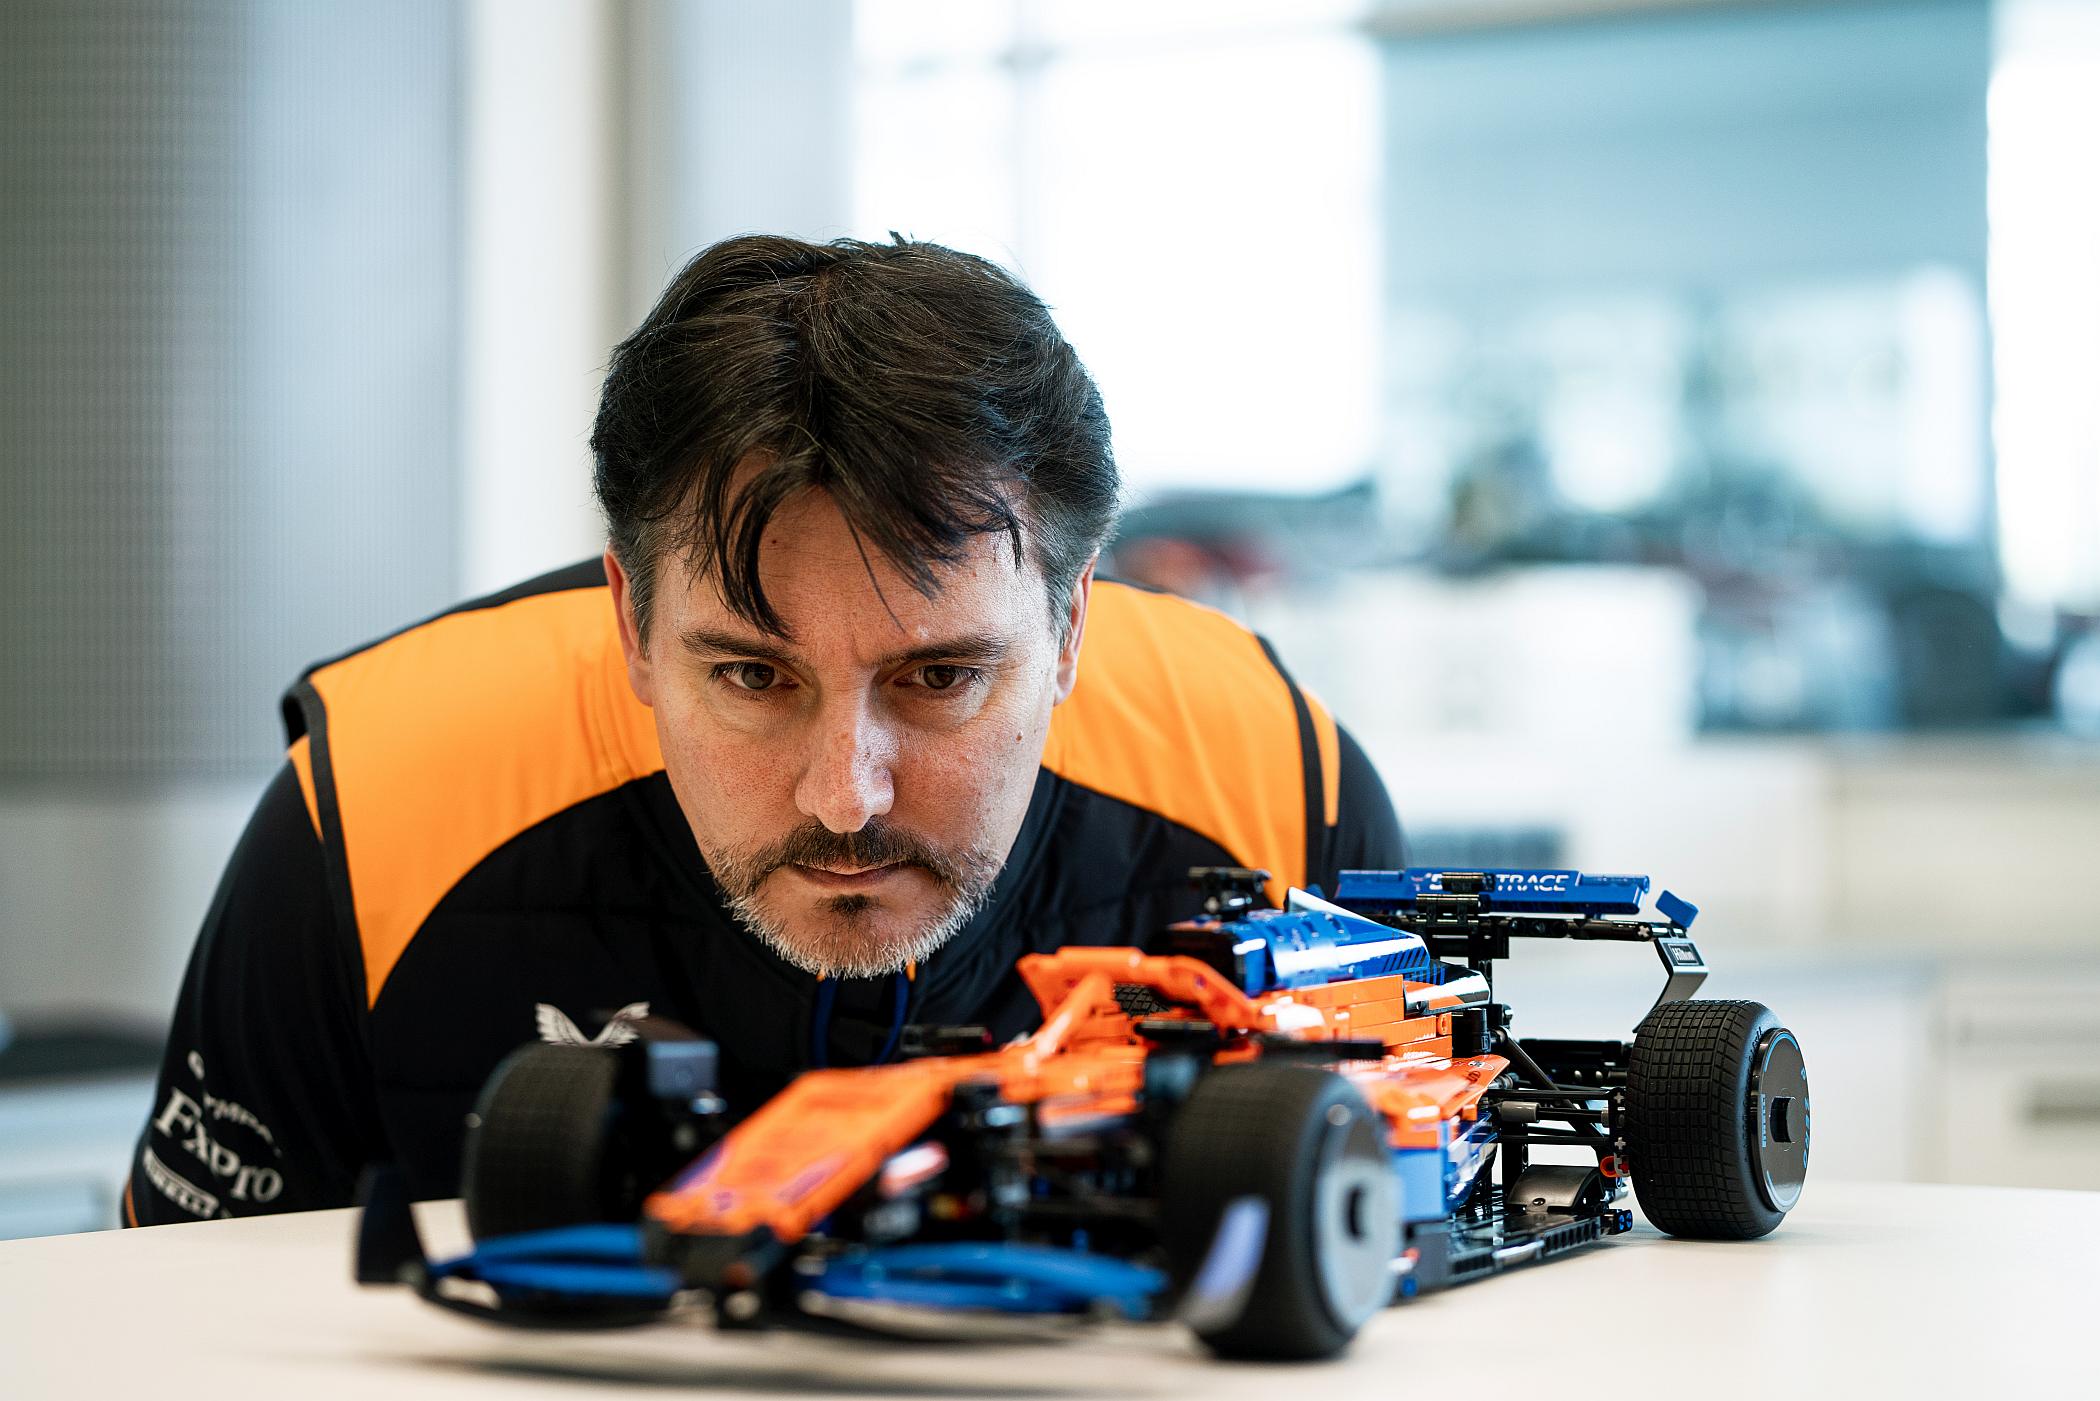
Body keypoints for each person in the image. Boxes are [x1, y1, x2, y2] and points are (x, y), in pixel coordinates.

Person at [124, 234, 1403, 1226]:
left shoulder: (1274, 787)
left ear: (1071, 628)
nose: (844, 798)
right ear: (630, 625)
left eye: (940, 677)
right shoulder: (380, 807)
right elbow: (178, 1336)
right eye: (749, 674)